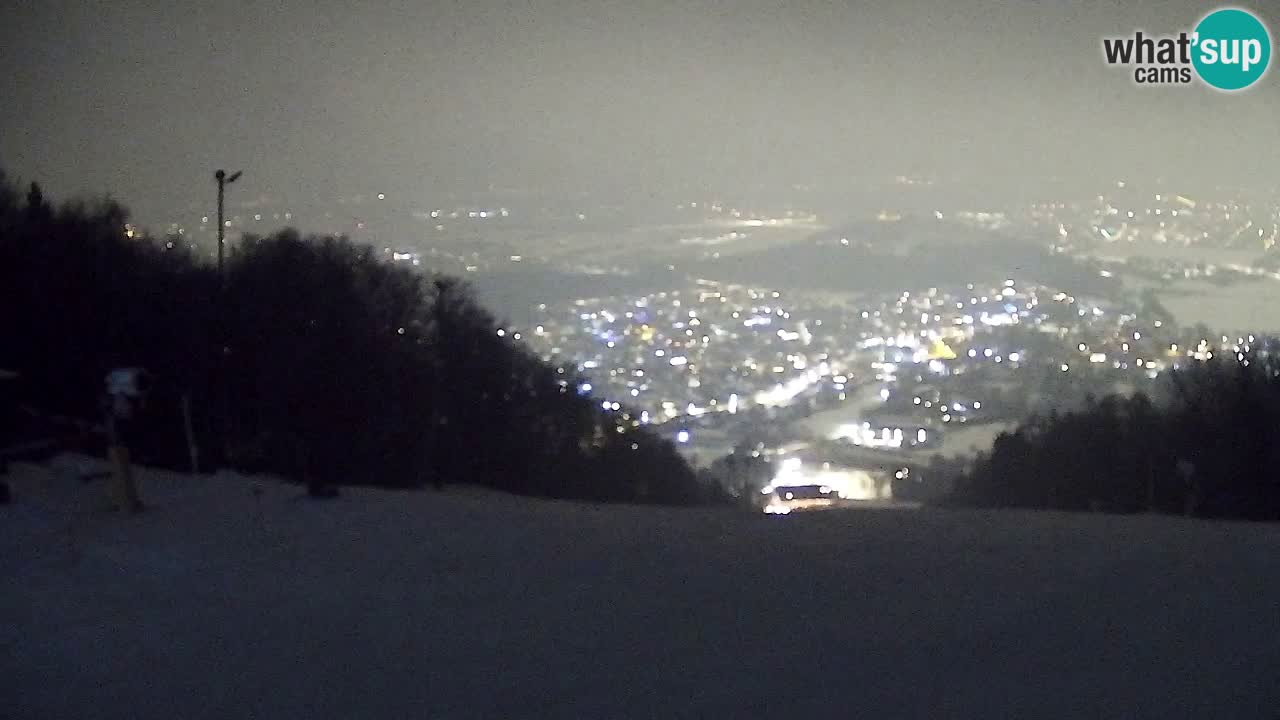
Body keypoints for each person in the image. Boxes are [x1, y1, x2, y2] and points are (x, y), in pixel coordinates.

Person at [103, 368, 148, 513]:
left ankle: (125, 500)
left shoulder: (122, 388)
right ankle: (125, 501)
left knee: (121, 466)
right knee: (120, 466)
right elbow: (120, 412)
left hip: (118, 433)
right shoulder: (120, 390)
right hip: (117, 436)